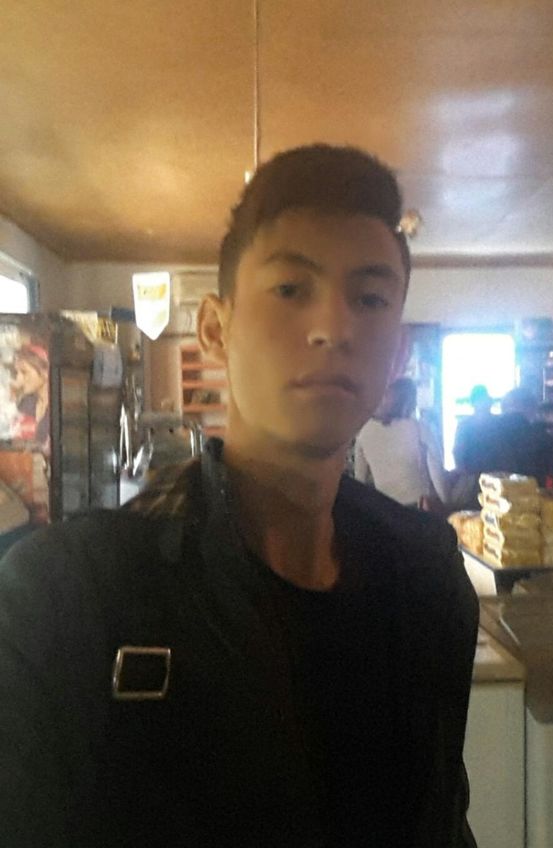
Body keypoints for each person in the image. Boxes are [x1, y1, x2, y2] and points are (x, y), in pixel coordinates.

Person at [0, 144, 478, 848]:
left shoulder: (427, 577)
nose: (334, 327)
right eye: (290, 289)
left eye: (370, 298)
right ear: (215, 329)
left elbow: (440, 818)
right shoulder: (71, 597)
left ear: (399, 351)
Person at [354, 376, 448, 507]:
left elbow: (359, 479)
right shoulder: (419, 428)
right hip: (418, 505)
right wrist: (445, 500)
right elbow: (436, 469)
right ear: (410, 401)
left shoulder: (364, 432)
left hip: (385, 507)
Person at [498, 386, 553, 485]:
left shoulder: (491, 435)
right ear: (530, 408)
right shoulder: (541, 437)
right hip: (531, 492)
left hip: (493, 492)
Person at [10, 342, 50, 450]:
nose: (19, 379)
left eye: (24, 372)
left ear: (44, 373)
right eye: (17, 373)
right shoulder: (26, 403)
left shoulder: (59, 405)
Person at [453, 384, 499, 473]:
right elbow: (458, 452)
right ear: (473, 403)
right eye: (481, 400)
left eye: (485, 400)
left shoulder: (498, 423)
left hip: (496, 474)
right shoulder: (465, 426)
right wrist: (464, 473)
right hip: (473, 473)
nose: (484, 403)